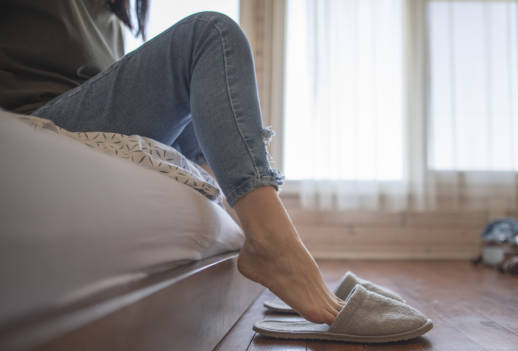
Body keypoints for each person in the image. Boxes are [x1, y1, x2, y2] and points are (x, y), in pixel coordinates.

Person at [0, 0, 344, 324]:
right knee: (211, 33)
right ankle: (274, 246)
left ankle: (270, 236)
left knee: (204, 108)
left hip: (81, 118)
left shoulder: (117, 18)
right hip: (35, 117)